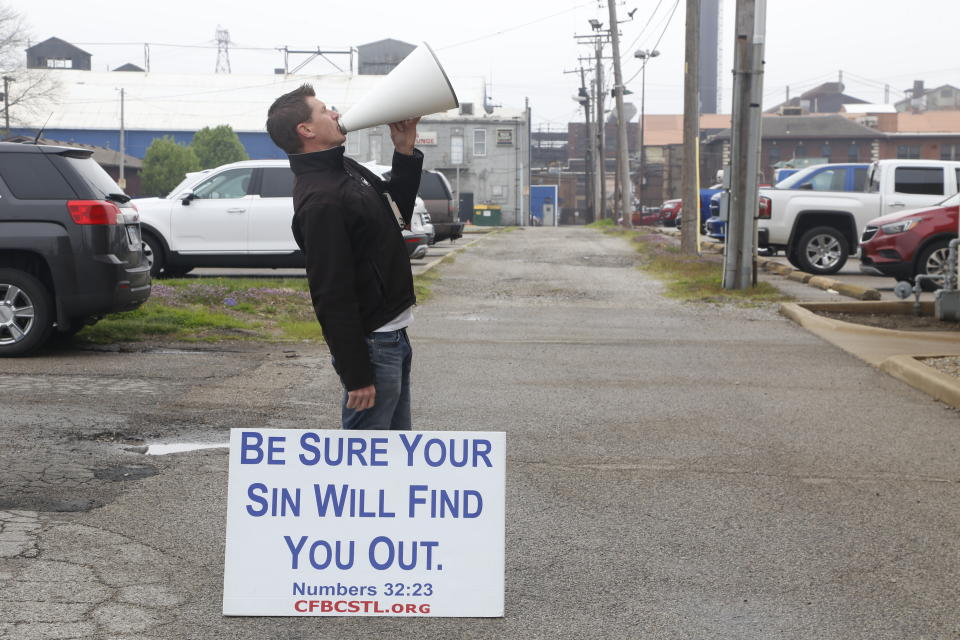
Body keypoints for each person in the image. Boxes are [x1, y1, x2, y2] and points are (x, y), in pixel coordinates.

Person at [265, 84, 423, 430]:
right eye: (324, 111)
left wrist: (405, 151)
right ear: (305, 130)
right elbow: (331, 293)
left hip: (392, 336)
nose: (336, 114)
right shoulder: (321, 200)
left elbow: (398, 213)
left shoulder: (343, 169)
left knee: (393, 459)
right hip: (374, 345)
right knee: (364, 464)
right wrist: (356, 374)